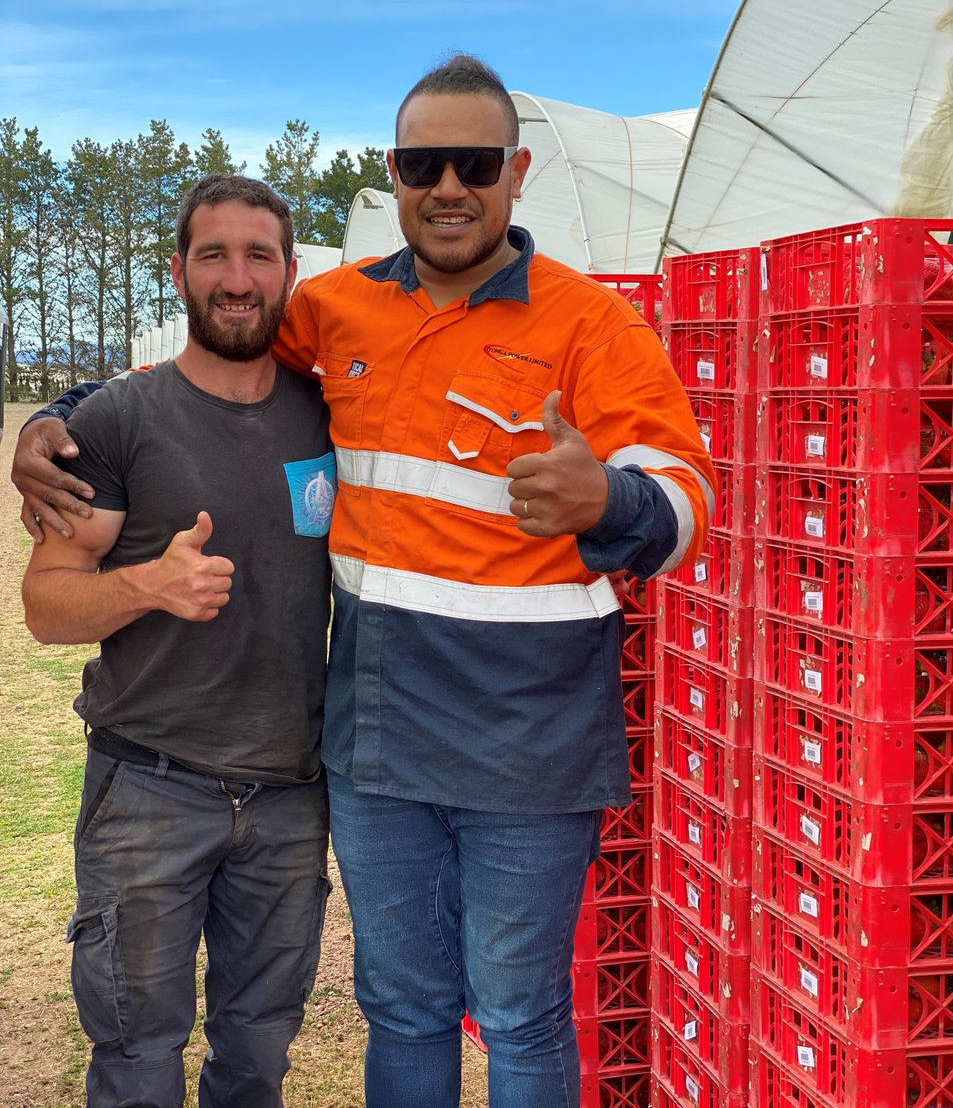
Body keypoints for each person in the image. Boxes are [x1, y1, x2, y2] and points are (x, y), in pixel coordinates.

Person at [14, 55, 715, 1108]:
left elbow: (684, 507)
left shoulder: (589, 327)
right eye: (421, 162)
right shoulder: (336, 311)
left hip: (528, 751)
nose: (446, 186)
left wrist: (608, 505)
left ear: (514, 173)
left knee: (520, 1017)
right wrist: (57, 415)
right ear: (394, 174)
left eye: (472, 163)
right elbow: (222, 343)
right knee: (402, 1006)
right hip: (376, 747)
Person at [19, 175, 334, 1108]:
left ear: (287, 273)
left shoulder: (330, 414)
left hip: (288, 795)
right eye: (214, 255)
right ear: (179, 271)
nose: (237, 278)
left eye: (259, 256)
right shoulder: (117, 420)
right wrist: (147, 585)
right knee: (137, 1059)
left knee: (258, 1055)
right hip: (150, 788)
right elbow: (46, 606)